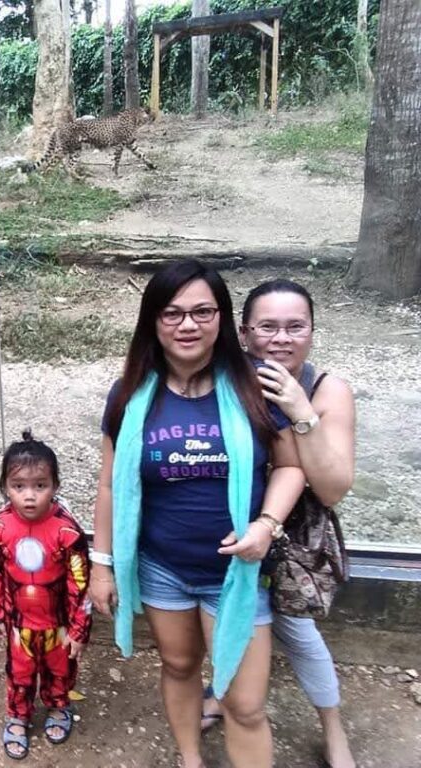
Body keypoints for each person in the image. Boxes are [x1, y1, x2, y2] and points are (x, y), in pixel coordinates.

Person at [89, 260, 306, 768]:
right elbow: (108, 484)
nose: (188, 325)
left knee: (245, 704)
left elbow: (291, 469)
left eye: (203, 311)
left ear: (223, 319)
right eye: (173, 313)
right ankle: (191, 758)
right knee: (180, 665)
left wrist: (265, 526)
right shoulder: (127, 396)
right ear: (153, 322)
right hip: (162, 568)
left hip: (238, 572)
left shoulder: (257, 386)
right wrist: (101, 563)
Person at [201, 279, 357, 768]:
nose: (282, 338)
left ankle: (334, 731)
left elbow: (331, 488)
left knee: (297, 634)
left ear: (312, 332)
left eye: (296, 327)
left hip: (289, 540)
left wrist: (299, 411)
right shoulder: (224, 377)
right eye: (268, 326)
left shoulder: (326, 388)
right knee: (222, 620)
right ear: (245, 333)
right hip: (230, 529)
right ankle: (223, 694)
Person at [0, 431, 92, 760]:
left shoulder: (67, 531)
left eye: (40, 485)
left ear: (55, 486)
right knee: (19, 673)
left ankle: (58, 707)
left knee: (60, 670)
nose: (29, 496)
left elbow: (80, 582)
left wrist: (78, 628)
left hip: (57, 624)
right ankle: (18, 715)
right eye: (19, 487)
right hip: (19, 625)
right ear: (5, 487)